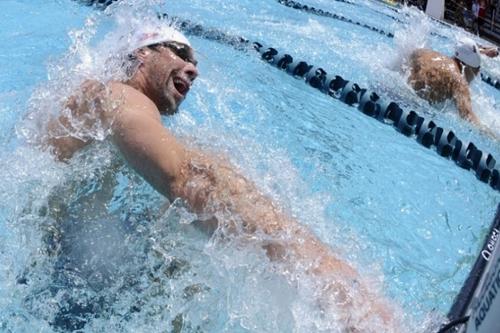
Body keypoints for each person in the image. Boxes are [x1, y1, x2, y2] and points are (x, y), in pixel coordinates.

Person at [44, 22, 401, 331]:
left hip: (64, 269)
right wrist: (333, 283)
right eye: (181, 53)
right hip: (69, 285)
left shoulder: (99, 109)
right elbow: (186, 177)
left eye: (195, 63)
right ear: (142, 54)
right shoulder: (118, 94)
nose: (193, 69)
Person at [406, 38, 497, 131]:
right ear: (466, 67)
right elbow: (468, 116)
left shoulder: (428, 54)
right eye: (475, 71)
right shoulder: (459, 82)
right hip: (413, 108)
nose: (475, 76)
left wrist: (482, 52)